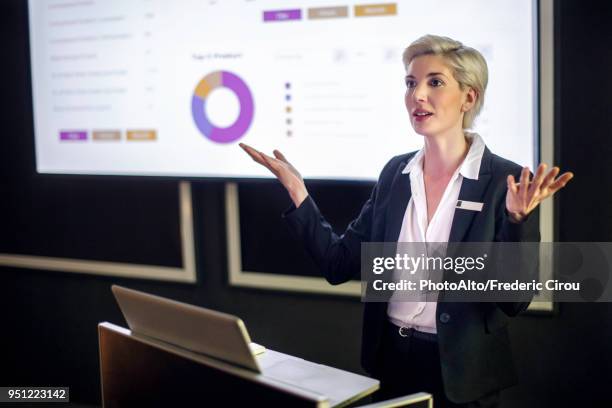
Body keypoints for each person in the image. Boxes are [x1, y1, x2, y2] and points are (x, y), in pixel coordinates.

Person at [240, 34, 573, 408]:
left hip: (462, 374)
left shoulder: (505, 181)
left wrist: (516, 220)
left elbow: (514, 300)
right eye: (411, 83)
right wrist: (298, 191)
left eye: (435, 82)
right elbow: (338, 263)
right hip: (392, 361)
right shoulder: (396, 174)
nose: (417, 95)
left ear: (469, 97)